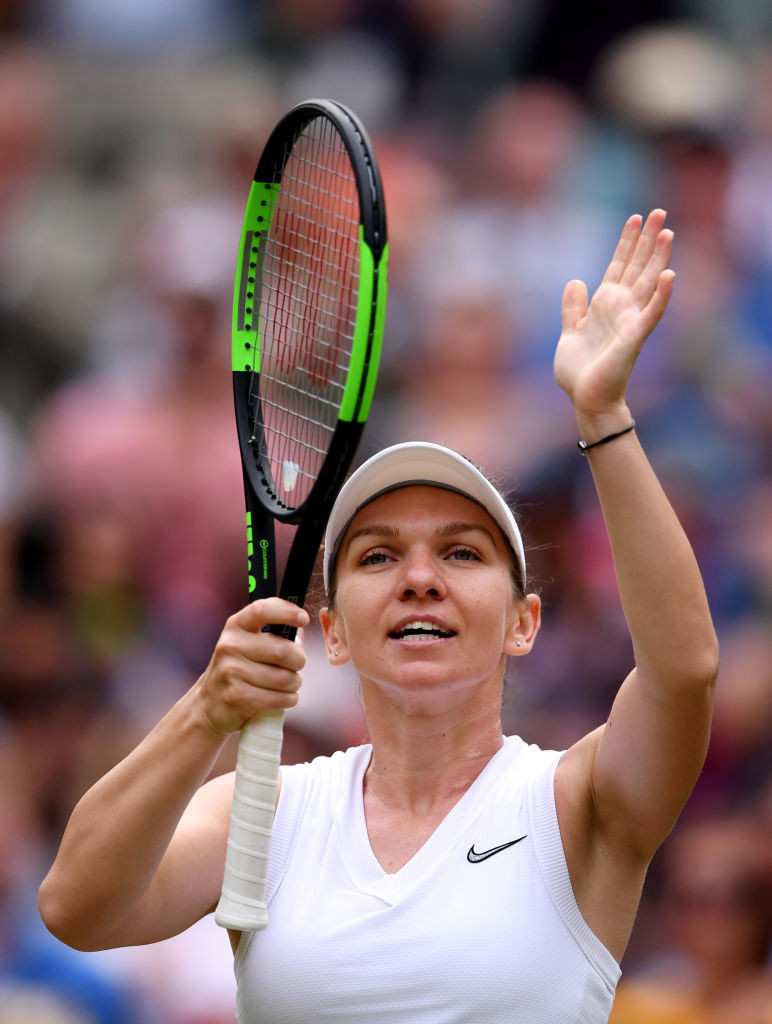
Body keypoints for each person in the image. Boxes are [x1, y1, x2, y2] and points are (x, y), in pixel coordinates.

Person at [38, 210, 719, 1023]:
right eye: (377, 556)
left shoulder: (575, 802)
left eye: (461, 552)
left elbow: (683, 672)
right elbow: (76, 908)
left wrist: (602, 415)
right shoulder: (266, 810)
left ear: (524, 622)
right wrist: (204, 714)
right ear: (331, 632)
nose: (420, 579)